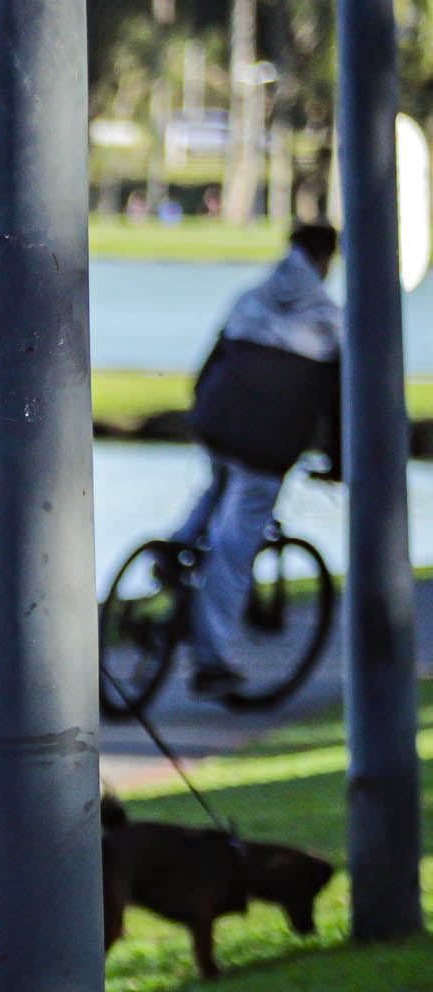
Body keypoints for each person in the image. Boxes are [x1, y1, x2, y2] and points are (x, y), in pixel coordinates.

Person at [177, 222, 342, 701]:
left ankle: (175, 550)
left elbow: (211, 362)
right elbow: (339, 406)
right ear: (326, 262)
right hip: (268, 444)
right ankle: (213, 661)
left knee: (218, 483)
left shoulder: (249, 297)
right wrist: (337, 462)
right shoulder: (330, 319)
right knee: (234, 551)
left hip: (217, 421)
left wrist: (201, 413)